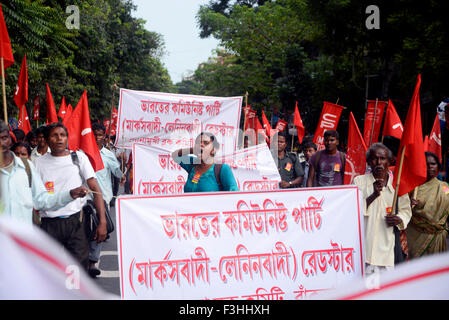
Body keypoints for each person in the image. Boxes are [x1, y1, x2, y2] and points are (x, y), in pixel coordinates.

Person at [34, 123, 107, 270]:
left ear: (67, 138)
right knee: (49, 270)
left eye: (63, 135)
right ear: (47, 140)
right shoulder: (37, 163)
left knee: (77, 271)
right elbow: (34, 196)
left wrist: (102, 222)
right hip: (48, 225)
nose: (59, 139)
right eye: (54, 135)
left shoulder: (79, 158)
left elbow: (95, 189)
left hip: (76, 223)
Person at [0, 121, 89, 226]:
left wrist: (69, 195)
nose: (1, 143)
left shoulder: (26, 167)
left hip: (24, 238)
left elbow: (42, 200)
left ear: (10, 140)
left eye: (4, 138)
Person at [353, 143, 412, 274]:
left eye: (383, 158)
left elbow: (406, 211)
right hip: (365, 247)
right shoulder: (359, 182)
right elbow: (353, 210)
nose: (379, 162)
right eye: (374, 158)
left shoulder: (397, 184)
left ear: (389, 161)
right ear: (369, 162)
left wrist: (398, 219)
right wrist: (373, 195)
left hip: (388, 247)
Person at [87, 123, 126, 277]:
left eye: (100, 135)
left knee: (99, 231)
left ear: (105, 136)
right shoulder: (83, 154)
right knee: (84, 231)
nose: (97, 138)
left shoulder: (109, 155)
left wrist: (122, 174)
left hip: (102, 200)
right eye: (94, 135)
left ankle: (92, 263)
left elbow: (117, 172)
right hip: (85, 199)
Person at [407, 152, 449, 258]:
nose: (429, 167)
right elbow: (402, 210)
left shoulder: (445, 187)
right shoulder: (411, 188)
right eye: (426, 164)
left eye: (433, 164)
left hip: (438, 237)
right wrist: (409, 204)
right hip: (415, 236)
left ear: (438, 167)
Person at [172, 132, 239, 192]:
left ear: (213, 150)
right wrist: (192, 150)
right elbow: (175, 155)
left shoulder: (222, 169)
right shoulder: (193, 163)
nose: (201, 145)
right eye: (198, 143)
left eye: (206, 143)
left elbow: (234, 195)